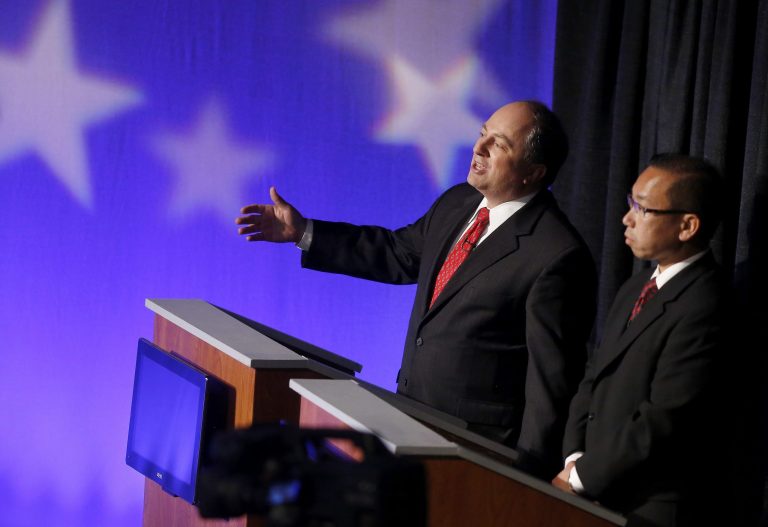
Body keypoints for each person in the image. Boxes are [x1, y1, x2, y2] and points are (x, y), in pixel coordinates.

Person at [236, 101, 596, 477]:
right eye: (482, 133)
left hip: (481, 452)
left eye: (500, 144)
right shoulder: (458, 202)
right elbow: (397, 253)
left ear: (533, 172)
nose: (479, 148)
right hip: (411, 420)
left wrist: (528, 477)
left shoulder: (556, 255)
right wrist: (305, 232)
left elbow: (551, 383)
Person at [552, 154, 728, 526]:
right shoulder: (636, 286)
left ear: (687, 225)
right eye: (630, 203)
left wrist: (583, 477)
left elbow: (664, 418)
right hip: (594, 492)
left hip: (647, 508)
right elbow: (594, 375)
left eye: (643, 209)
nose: (627, 218)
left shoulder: (707, 304)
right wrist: (574, 457)